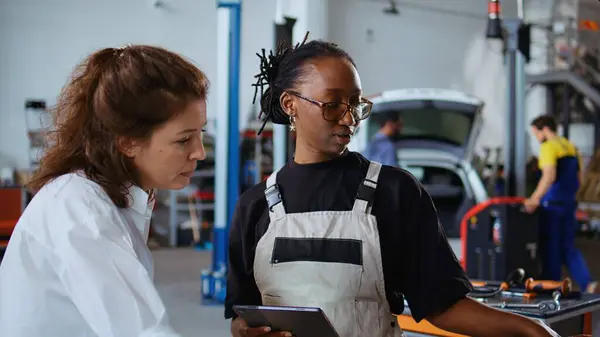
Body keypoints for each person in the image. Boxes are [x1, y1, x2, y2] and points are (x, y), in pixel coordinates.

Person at [225, 35, 558, 337]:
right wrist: (243, 331)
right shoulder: (255, 205)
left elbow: (441, 304)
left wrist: (532, 329)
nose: (348, 119)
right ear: (290, 104)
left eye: (355, 104)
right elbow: (243, 312)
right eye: (332, 104)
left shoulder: (394, 192)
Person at [0, 45, 209, 336]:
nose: (199, 152)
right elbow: (140, 331)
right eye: (184, 140)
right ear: (127, 143)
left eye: (201, 133)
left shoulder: (117, 197)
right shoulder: (78, 206)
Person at [524, 115, 597, 293]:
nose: (536, 138)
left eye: (536, 133)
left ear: (544, 130)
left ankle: (552, 287)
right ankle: (589, 283)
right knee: (568, 247)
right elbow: (580, 180)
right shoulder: (570, 146)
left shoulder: (548, 147)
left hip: (552, 205)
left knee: (550, 248)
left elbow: (549, 176)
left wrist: (534, 199)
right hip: (568, 204)